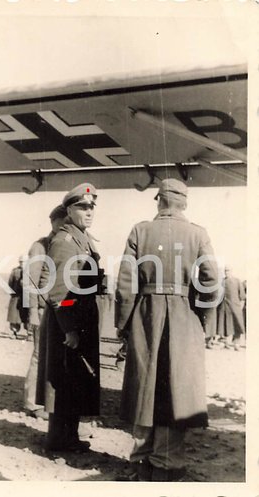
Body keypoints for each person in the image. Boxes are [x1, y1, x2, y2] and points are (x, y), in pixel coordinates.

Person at [115, 178, 219, 481]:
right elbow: (212, 281)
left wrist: (124, 324)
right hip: (184, 317)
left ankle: (139, 461)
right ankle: (167, 464)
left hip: (144, 316)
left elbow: (125, 285)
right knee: (176, 391)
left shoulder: (140, 230)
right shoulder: (198, 234)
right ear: (184, 203)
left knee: (144, 388)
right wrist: (203, 320)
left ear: (159, 200)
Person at [39, 183, 101, 452]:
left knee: (75, 379)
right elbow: (57, 291)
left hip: (80, 319)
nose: (89, 212)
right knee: (64, 380)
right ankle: (58, 439)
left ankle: (69, 437)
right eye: (82, 207)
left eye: (91, 207)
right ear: (69, 210)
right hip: (69, 320)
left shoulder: (81, 238)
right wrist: (70, 329)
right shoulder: (65, 242)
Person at [23, 204, 67, 420]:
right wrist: (32, 310)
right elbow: (31, 280)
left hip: (58, 309)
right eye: (63, 222)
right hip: (41, 309)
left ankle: (49, 402)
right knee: (39, 356)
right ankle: (32, 403)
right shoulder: (40, 246)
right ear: (54, 222)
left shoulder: (61, 244)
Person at [217, 266, 245, 351]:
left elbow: (242, 296)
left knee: (237, 324)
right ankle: (223, 342)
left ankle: (236, 343)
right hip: (224, 307)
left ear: (232, 271)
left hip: (235, 306)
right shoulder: (222, 281)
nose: (227, 272)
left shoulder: (237, 281)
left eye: (228, 271)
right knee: (224, 324)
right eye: (225, 271)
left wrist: (241, 306)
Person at [7, 256, 29, 339]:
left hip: (27, 297)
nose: (22, 263)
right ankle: (14, 332)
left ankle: (29, 334)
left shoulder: (31, 271)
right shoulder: (15, 271)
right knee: (14, 316)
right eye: (21, 262)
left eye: (24, 262)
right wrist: (13, 293)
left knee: (28, 315)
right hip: (16, 296)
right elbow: (10, 283)